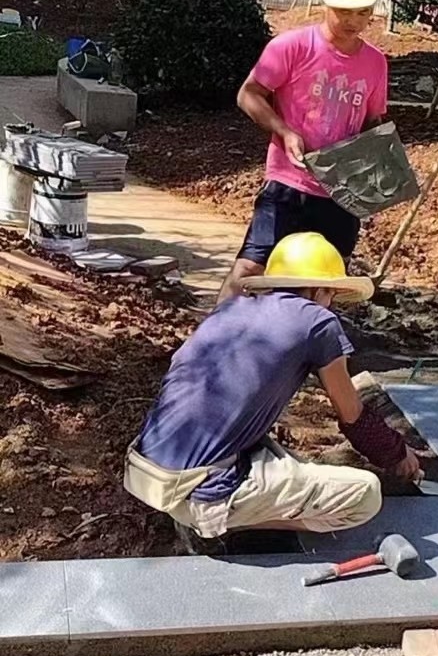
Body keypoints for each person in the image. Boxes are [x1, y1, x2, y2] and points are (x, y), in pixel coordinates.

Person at [124, 232, 421, 544]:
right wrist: (397, 453)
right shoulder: (319, 322)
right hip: (196, 488)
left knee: (274, 453)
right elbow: (353, 416)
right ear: (320, 290)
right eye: (331, 294)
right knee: (366, 494)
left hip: (145, 469)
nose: (331, 303)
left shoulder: (232, 308)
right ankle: (218, 523)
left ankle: (214, 507)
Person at [218, 0, 387, 303]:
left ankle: (308, 339)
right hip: (288, 183)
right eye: (344, 10)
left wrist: (379, 170)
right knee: (251, 270)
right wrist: (284, 131)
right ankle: (217, 335)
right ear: (325, 1)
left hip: (341, 193)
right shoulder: (292, 47)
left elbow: (372, 121)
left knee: (326, 284)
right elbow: (249, 94)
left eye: (363, 11)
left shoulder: (376, 63)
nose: (353, 21)